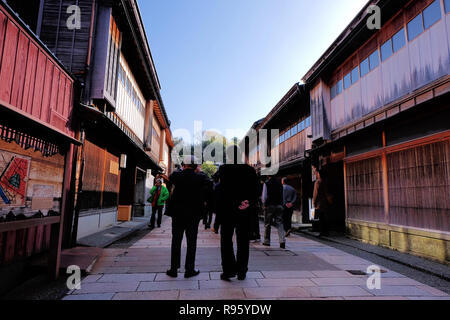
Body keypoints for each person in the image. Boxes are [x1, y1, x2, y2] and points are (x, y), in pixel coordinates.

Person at [218, 146, 259, 281]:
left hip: (228, 210)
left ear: (228, 156)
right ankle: (242, 271)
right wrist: (247, 202)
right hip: (244, 210)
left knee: (226, 241)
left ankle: (229, 270)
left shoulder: (224, 169)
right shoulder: (250, 170)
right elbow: (255, 190)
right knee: (243, 241)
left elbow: (223, 191)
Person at [166, 156, 209, 278]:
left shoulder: (177, 175)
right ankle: (189, 269)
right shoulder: (200, 177)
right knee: (191, 242)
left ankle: (174, 269)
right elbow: (209, 182)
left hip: (178, 214)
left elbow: (171, 176)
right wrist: (200, 171)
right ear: (196, 166)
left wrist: (182, 168)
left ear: (184, 165)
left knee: (176, 241)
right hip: (193, 215)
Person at [262, 176, 286, 249]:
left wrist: (264, 204)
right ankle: (282, 241)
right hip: (279, 205)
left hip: (270, 205)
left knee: (267, 223)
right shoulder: (280, 183)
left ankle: (267, 241)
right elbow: (283, 195)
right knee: (280, 223)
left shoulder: (266, 183)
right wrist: (282, 203)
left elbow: (264, 196)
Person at [313, 167, 332, 237]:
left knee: (321, 218)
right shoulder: (326, 181)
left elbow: (316, 194)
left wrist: (314, 202)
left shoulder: (318, 182)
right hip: (326, 202)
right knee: (326, 217)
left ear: (319, 174)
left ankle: (322, 232)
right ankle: (326, 232)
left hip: (320, 203)